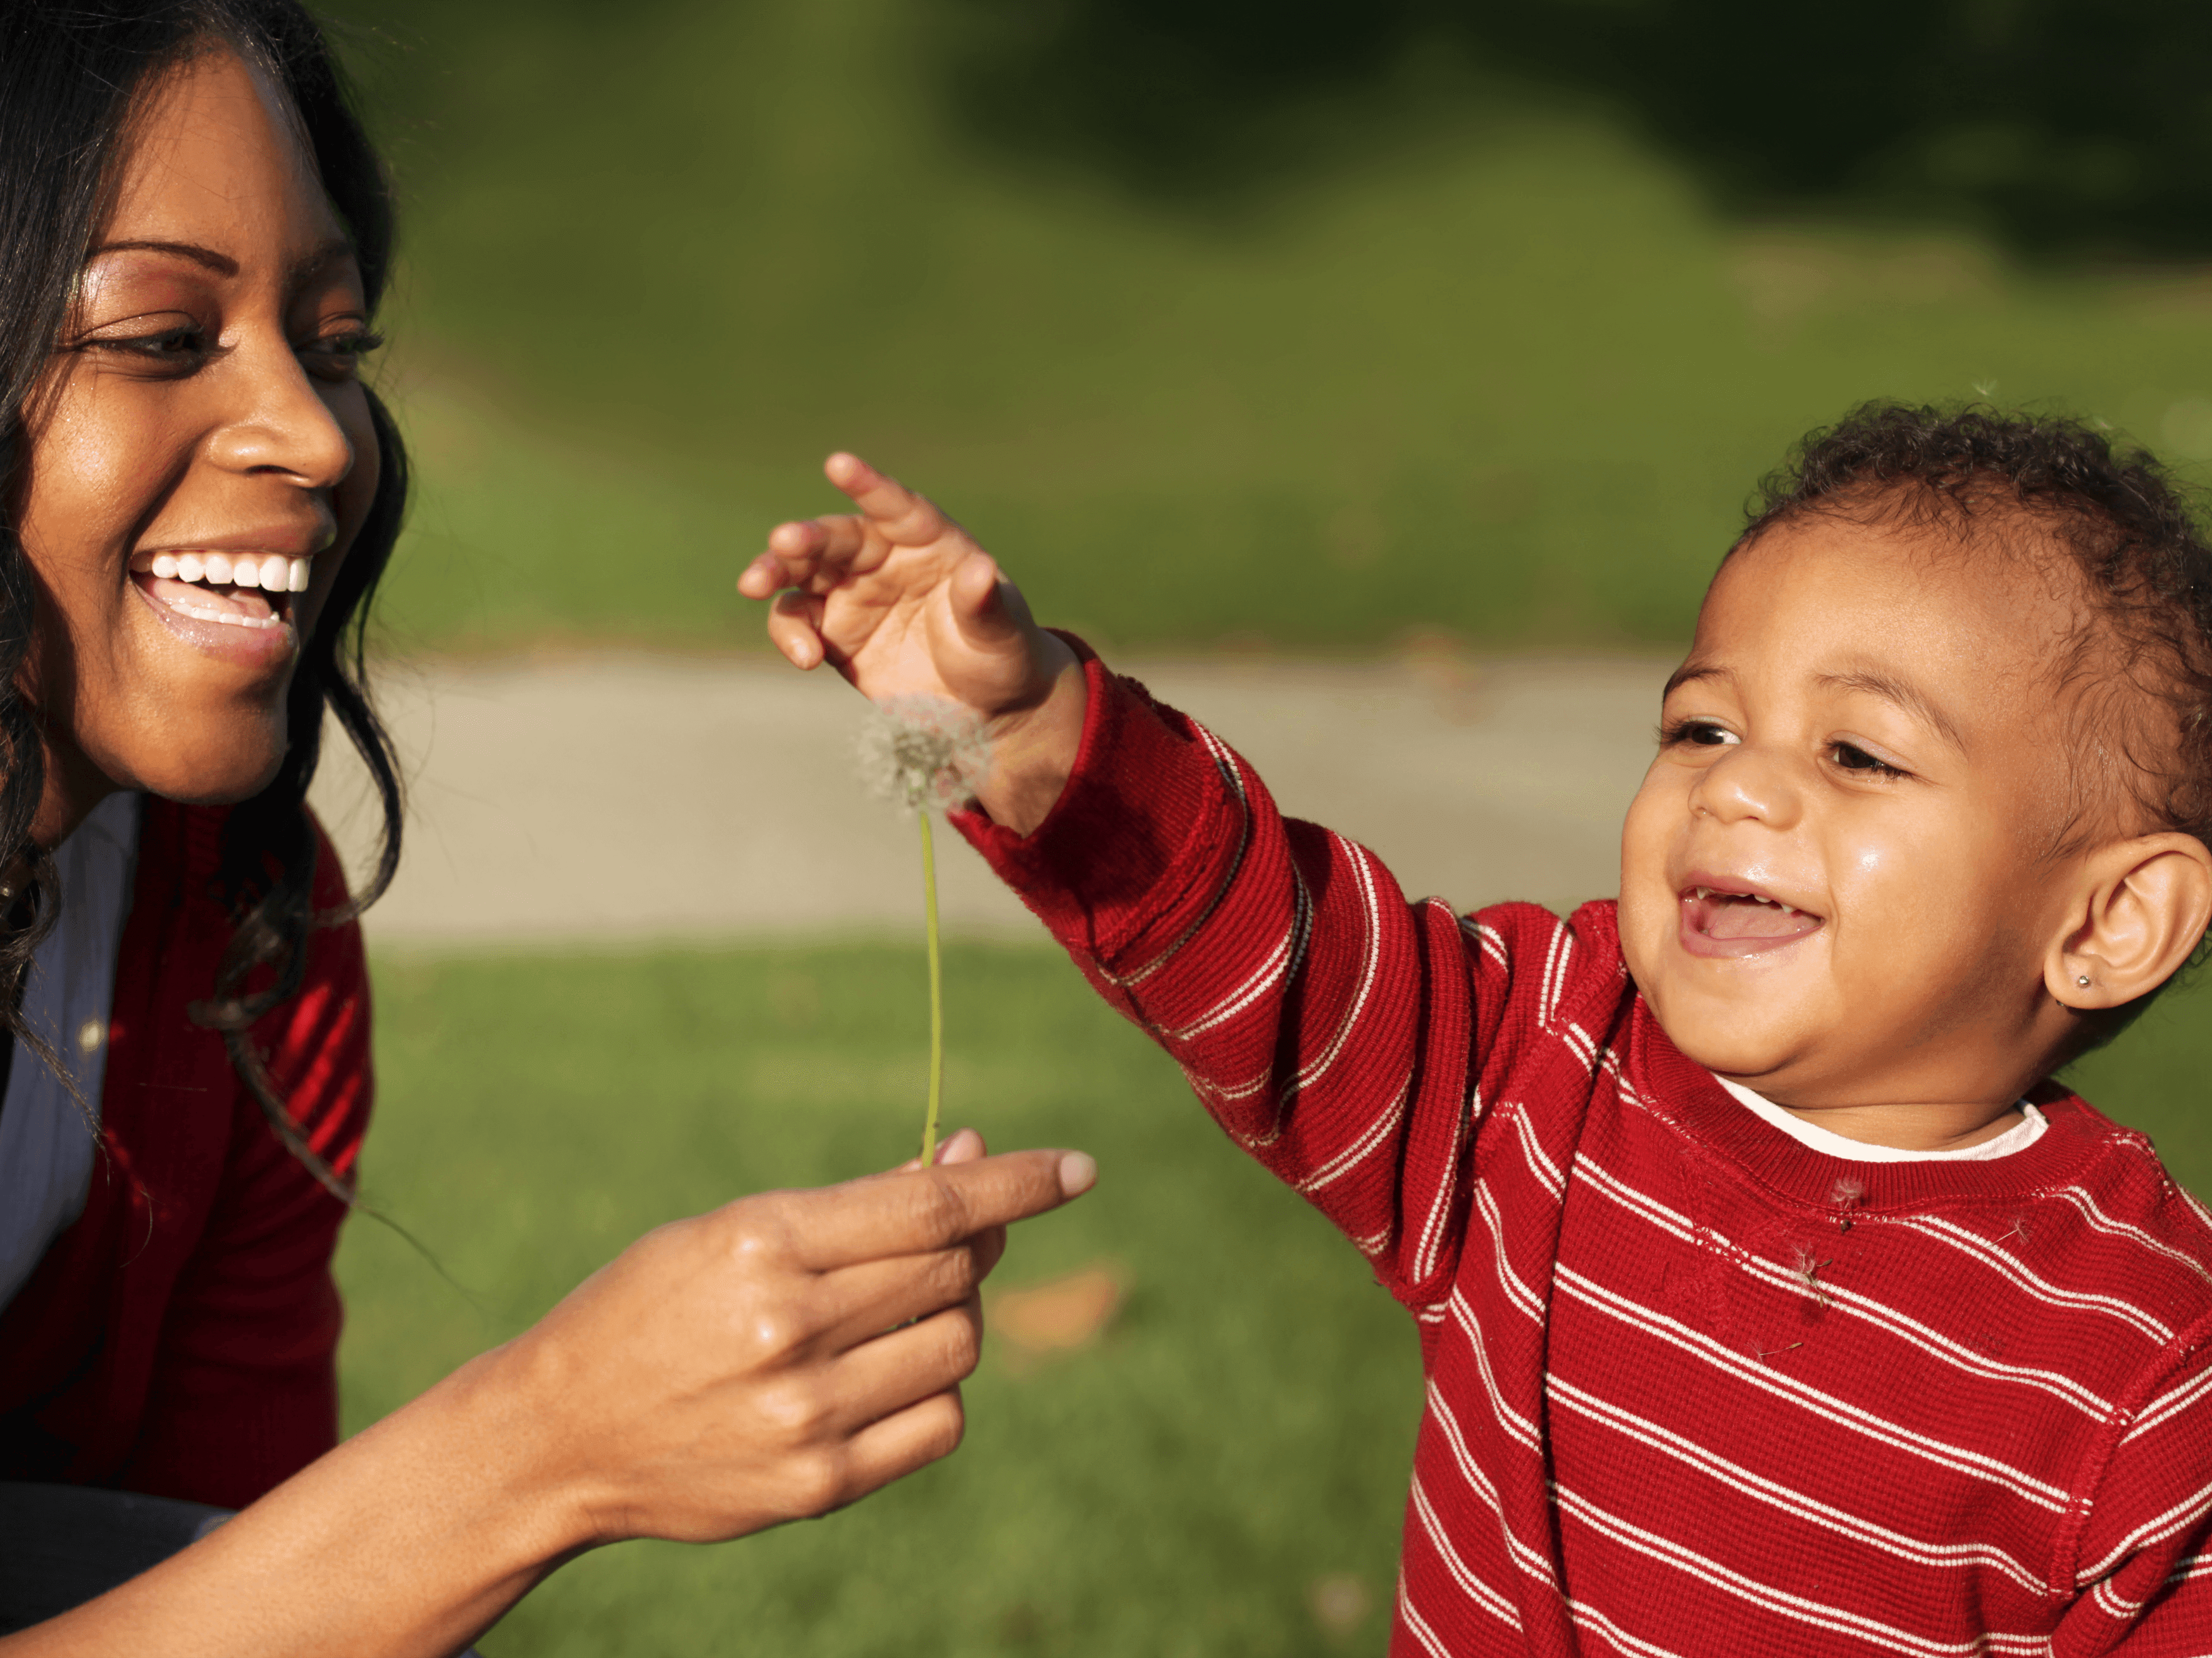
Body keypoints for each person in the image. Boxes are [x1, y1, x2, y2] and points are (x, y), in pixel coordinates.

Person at [744, 414, 2212, 1651]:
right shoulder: (1538, 1062)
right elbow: (1265, 938)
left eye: (1854, 751)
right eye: (1700, 726)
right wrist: (1033, 727)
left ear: (2106, 922)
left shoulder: (2143, 1375)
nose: (1736, 790)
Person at [0, 3, 1097, 1652]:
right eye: (163, 334)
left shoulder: (246, 935)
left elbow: (231, 1573)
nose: (313, 433)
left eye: (337, 344)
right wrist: (540, 1445)